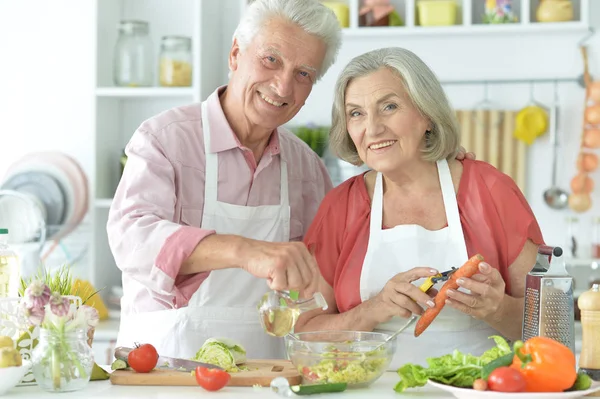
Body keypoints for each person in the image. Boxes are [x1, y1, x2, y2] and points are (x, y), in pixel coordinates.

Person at [107, 1, 473, 360]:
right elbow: (131, 239)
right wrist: (244, 251)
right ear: (236, 54)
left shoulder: (305, 167)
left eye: (303, 74)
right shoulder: (166, 139)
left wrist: (432, 154)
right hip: (164, 366)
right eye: (271, 60)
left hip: (267, 372)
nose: (283, 87)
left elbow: (328, 279)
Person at [295, 47, 544, 369]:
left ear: (426, 115)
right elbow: (305, 333)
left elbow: (549, 327)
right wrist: (373, 309)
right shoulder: (341, 206)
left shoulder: (490, 191)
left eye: (389, 106)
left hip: (477, 387)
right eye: (356, 113)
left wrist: (498, 309)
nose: (372, 128)